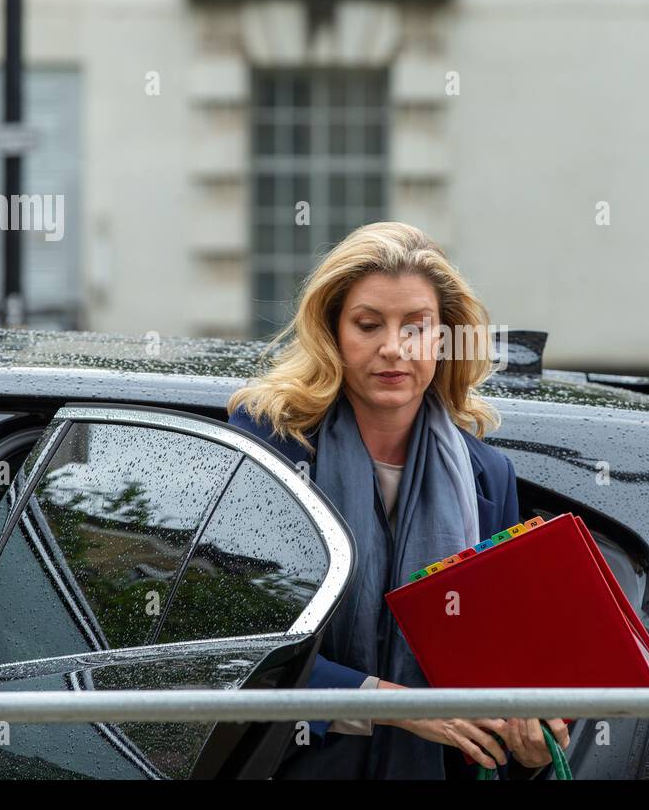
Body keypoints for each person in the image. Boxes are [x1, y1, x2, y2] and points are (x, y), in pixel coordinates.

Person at [227, 221, 570, 779]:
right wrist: (394, 704)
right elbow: (236, 638)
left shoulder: (488, 476)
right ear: (333, 332)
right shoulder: (270, 442)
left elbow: (489, 671)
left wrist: (529, 750)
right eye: (368, 325)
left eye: (416, 327)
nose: (393, 348)